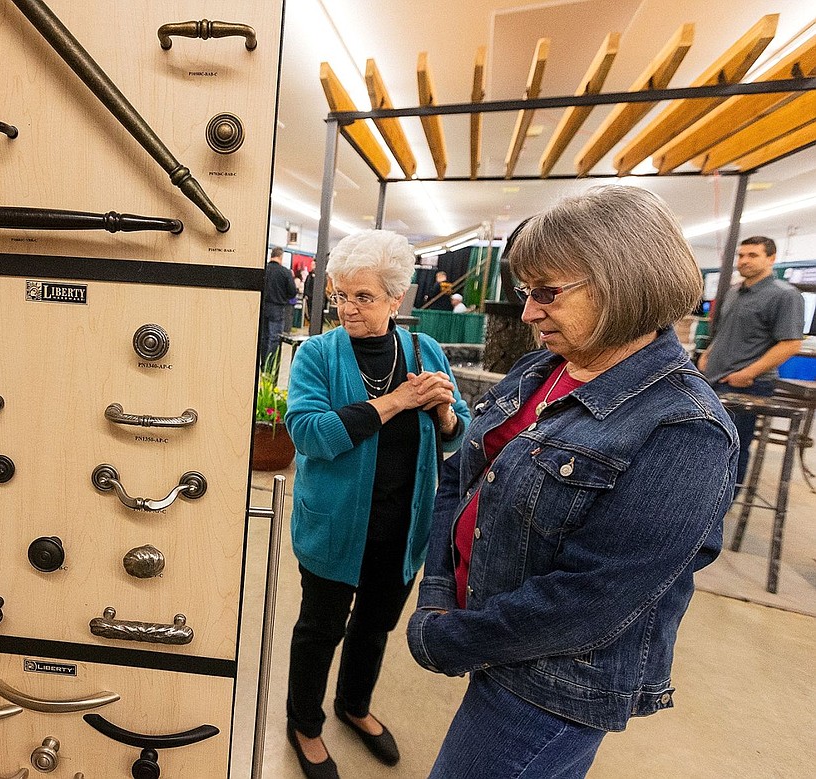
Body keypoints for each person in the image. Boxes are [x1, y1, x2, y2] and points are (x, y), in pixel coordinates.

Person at [407, 186, 737, 779]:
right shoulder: (543, 369)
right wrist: (438, 592)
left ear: (623, 282)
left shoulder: (684, 428)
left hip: (553, 679)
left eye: (548, 293)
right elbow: (464, 475)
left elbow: (593, 599)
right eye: (526, 292)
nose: (530, 312)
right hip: (488, 629)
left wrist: (452, 638)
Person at [284, 229, 471, 779]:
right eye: (340, 294)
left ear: (395, 299)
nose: (347, 307)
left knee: (373, 625)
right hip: (336, 528)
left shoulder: (425, 350)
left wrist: (442, 415)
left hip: (400, 528)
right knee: (319, 629)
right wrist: (397, 401)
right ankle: (304, 723)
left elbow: (455, 436)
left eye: (362, 297)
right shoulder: (318, 355)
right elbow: (310, 433)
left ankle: (353, 705)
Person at [698, 236, 804, 487]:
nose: (744, 261)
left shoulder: (785, 296)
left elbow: (790, 343)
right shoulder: (735, 292)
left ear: (771, 259)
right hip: (715, 381)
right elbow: (729, 331)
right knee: (705, 445)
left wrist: (748, 373)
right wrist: (709, 353)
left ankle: (724, 503)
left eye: (752, 255)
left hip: (745, 386)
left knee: (731, 449)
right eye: (741, 255)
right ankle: (701, 497)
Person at [261, 246, 298, 369]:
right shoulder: (285, 272)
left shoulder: (263, 269)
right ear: (281, 256)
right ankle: (269, 367)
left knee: (263, 336)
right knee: (274, 338)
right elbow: (292, 291)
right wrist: (284, 297)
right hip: (277, 308)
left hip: (263, 307)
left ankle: (262, 364)